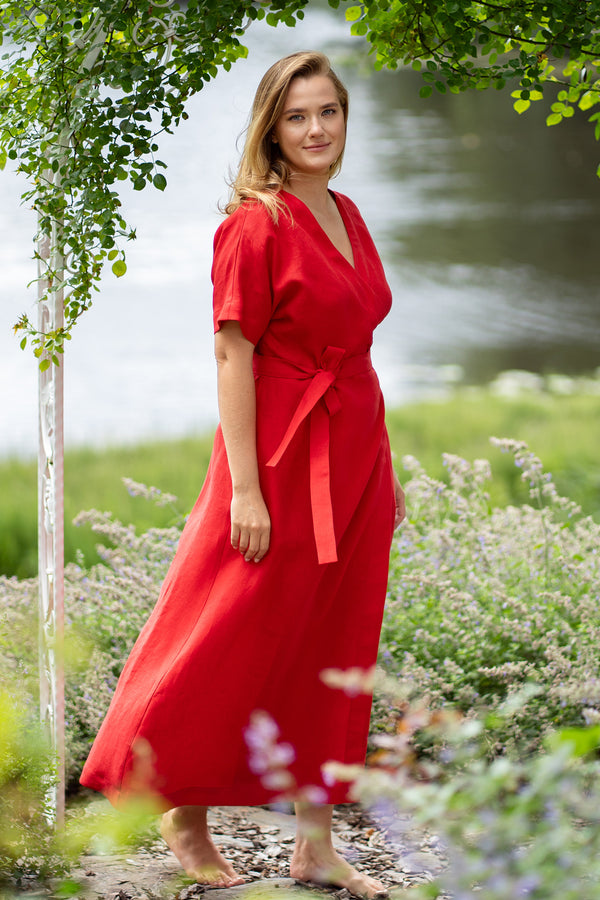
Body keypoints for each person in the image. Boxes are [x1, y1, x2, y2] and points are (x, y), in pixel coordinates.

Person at [80, 50, 405, 898]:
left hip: (355, 453)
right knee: (227, 627)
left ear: (343, 119)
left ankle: (315, 843)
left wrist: (386, 463)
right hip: (277, 457)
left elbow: (358, 351)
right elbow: (232, 352)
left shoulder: (347, 212)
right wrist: (250, 487)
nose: (315, 129)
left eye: (327, 112)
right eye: (297, 116)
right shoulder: (252, 225)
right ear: (272, 124)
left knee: (337, 645)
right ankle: (175, 803)